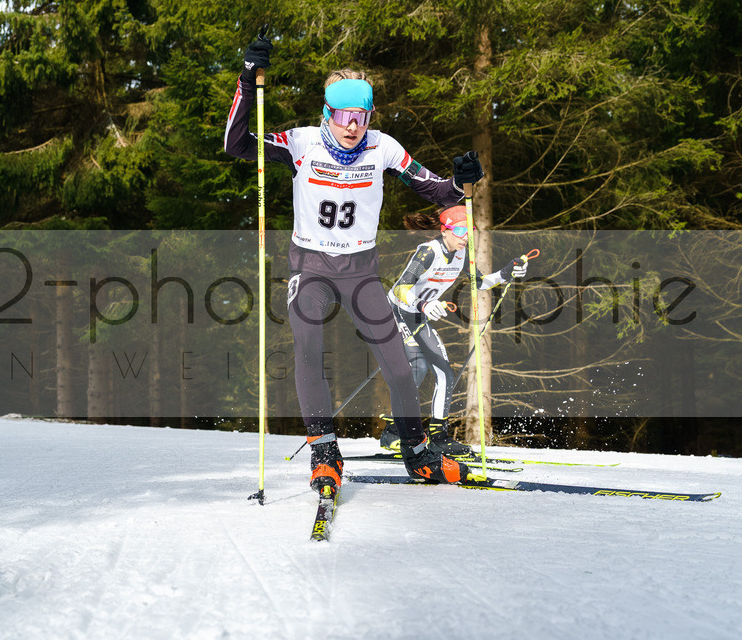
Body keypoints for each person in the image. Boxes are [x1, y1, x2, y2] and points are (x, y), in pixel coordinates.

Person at [224, 35, 484, 492]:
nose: (352, 127)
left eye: (360, 117)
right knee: (308, 349)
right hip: (312, 268)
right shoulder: (301, 143)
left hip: (361, 271)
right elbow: (237, 143)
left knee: (400, 366)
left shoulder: (382, 147)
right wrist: (248, 80)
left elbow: (438, 191)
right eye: (344, 116)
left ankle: (418, 454)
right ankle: (325, 455)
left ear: (369, 116)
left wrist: (461, 181)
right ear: (328, 112)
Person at [378, 206, 529, 458]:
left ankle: (438, 438)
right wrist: (425, 304)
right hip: (395, 311)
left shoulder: (462, 253)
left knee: (445, 373)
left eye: (469, 231)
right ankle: (393, 432)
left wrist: (507, 272)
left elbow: (481, 282)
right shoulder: (428, 252)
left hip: (418, 314)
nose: (465, 236)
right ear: (444, 230)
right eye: (459, 230)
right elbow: (402, 288)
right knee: (418, 368)